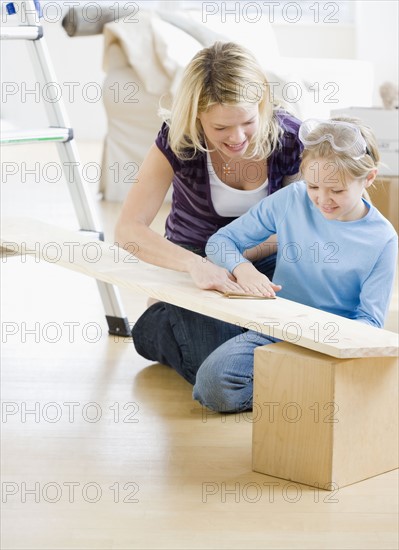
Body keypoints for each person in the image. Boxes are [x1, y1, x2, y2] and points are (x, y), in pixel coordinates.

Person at [134, 117, 398, 413]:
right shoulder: (294, 199)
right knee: (211, 387)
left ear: (369, 178)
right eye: (314, 185)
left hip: (330, 345)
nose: (322, 200)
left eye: (336, 190)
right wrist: (243, 268)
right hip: (273, 329)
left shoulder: (383, 239)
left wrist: (323, 342)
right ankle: (307, 391)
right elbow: (221, 242)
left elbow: (370, 323)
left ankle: (300, 388)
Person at [115, 41, 303, 291]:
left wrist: (232, 261)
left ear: (261, 105)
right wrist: (195, 265)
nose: (237, 138)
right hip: (193, 255)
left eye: (247, 121)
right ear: (196, 117)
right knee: (209, 327)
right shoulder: (179, 138)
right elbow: (128, 230)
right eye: (221, 128)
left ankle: (164, 314)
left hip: (268, 255)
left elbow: (300, 225)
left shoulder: (290, 139)